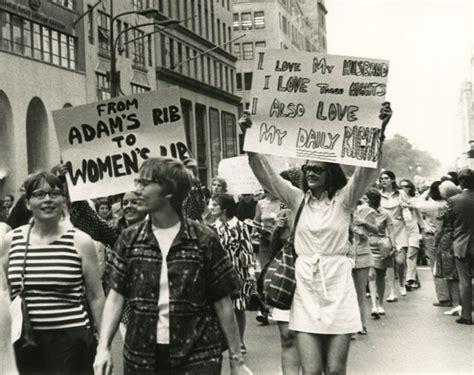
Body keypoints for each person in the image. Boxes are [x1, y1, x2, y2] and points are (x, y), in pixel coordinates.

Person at [241, 103, 392, 374]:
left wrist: (379, 131)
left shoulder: (344, 200)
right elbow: (267, 176)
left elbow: (366, 172)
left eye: (317, 169)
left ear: (330, 173)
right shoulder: (297, 199)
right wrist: (250, 141)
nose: (310, 173)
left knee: (334, 371)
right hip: (305, 287)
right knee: (311, 371)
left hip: (338, 285)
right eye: (307, 168)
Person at [93, 157, 251, 374]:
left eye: (145, 184)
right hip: (142, 355)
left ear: (168, 191)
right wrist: (103, 347)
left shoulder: (204, 239)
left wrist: (237, 359)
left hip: (197, 354)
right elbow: (116, 296)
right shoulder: (129, 239)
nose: (137, 190)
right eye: (137, 182)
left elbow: (222, 301)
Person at [0, 172, 105, 374]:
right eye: (39, 194)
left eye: (54, 193)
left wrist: (104, 345)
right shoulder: (11, 241)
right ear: (28, 203)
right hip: (25, 341)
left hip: (71, 343)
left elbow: (96, 296)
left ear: (63, 200)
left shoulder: (81, 241)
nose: (48, 199)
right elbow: (2, 291)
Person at [210, 193, 256, 355]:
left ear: (224, 209)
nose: (211, 207)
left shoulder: (240, 226)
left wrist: (250, 270)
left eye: (215, 204)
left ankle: (240, 341)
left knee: (238, 308)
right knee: (220, 308)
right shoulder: (213, 227)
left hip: (238, 272)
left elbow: (247, 247)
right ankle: (225, 341)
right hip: (219, 273)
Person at [415, 181, 451, 306]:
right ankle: (453, 295)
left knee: (436, 266)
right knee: (449, 266)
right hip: (449, 237)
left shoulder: (430, 206)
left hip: (432, 236)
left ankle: (443, 297)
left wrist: (425, 191)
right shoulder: (448, 204)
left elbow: (417, 204)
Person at [445, 169, 474, 325]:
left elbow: (449, 224)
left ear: (461, 182)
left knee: (465, 281)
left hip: (462, 245)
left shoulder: (454, 200)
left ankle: (466, 315)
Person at [364, 188, 396, 319]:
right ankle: (373, 305)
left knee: (381, 276)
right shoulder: (363, 211)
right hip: (367, 244)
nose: (364, 202)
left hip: (382, 245)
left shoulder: (385, 213)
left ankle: (380, 303)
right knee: (371, 275)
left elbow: (391, 229)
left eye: (367, 199)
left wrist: (393, 244)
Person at [379, 170, 409, 301]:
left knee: (400, 261)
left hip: (400, 228)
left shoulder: (401, 193)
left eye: (386, 178)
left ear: (392, 180)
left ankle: (402, 282)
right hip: (385, 229)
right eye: (381, 179)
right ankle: (392, 291)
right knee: (389, 262)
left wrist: (405, 206)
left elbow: (411, 206)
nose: (383, 181)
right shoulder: (379, 195)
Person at [435, 181, 462, 316]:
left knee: (450, 274)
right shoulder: (461, 204)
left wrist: (436, 242)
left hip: (446, 240)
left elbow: (438, 229)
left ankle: (456, 304)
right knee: (461, 273)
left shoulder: (444, 208)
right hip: (460, 237)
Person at [350, 201, 378, 335]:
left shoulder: (366, 211)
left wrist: (363, 223)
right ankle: (348, 326)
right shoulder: (338, 210)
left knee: (360, 291)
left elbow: (376, 230)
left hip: (362, 254)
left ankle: (362, 323)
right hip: (345, 255)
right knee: (346, 292)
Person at [398, 179, 424, 290]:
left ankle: (409, 280)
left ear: (410, 187)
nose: (404, 188)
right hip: (401, 229)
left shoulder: (415, 200)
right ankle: (412, 279)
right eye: (401, 186)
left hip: (413, 229)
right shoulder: (396, 200)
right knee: (402, 258)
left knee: (411, 254)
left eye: (406, 186)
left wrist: (422, 230)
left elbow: (420, 216)